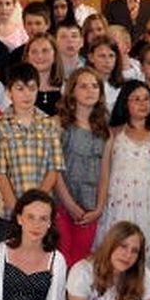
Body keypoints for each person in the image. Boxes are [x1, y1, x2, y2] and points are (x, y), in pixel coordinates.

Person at [95, 80, 150, 292]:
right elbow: (104, 175)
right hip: (119, 206)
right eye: (136, 99)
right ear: (125, 103)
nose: (142, 104)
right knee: (117, 250)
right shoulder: (113, 133)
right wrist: (100, 208)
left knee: (147, 253)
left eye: (147, 99)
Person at [0, 62, 63, 245]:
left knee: (42, 256)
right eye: (20, 89)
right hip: (10, 214)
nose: (27, 94)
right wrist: (19, 210)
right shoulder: (0, 127)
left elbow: (54, 168)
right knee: (9, 257)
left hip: (42, 214)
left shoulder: (48, 124)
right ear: (9, 92)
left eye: (32, 88)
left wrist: (37, 206)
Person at [54, 67, 109, 265]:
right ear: (72, 91)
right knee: (62, 258)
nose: (90, 91)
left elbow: (104, 173)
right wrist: (69, 204)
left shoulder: (105, 129)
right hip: (62, 203)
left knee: (80, 261)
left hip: (90, 207)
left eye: (94, 86)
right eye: (83, 86)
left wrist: (99, 208)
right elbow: (54, 170)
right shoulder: (59, 124)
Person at [85, 34, 124, 111]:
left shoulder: (123, 87)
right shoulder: (83, 84)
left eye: (111, 56)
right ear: (91, 57)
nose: (107, 61)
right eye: (102, 56)